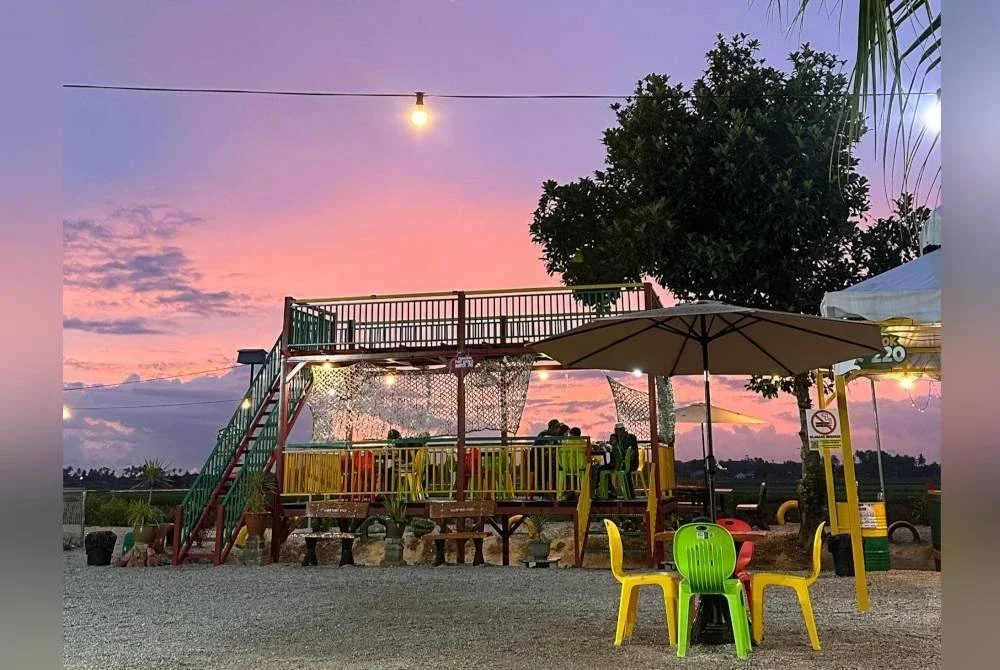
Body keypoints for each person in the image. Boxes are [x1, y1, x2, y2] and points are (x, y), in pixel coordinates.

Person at [532, 419, 562, 498]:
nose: (558, 430)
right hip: (539, 459)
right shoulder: (543, 434)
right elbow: (536, 446)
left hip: (551, 461)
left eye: (558, 428)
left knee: (556, 468)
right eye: (556, 428)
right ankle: (543, 490)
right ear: (551, 428)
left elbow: (559, 447)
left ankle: (552, 492)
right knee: (544, 468)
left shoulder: (557, 437)